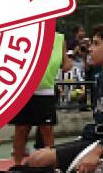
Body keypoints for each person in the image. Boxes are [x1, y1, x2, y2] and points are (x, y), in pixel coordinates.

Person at [26, 24, 103, 173]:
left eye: (96, 44)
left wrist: (96, 152)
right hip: (96, 139)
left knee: (39, 160)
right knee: (35, 159)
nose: (90, 48)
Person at [10, 32, 71, 165]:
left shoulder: (59, 38)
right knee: (21, 128)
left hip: (46, 90)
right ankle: (17, 165)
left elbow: (66, 63)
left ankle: (51, 165)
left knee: (46, 129)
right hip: (24, 89)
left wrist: (65, 66)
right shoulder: (26, 35)